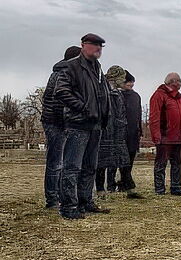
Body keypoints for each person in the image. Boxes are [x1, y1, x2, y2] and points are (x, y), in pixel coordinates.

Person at [53, 33, 113, 219]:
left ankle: (85, 201)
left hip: (95, 125)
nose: (98, 49)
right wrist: (83, 108)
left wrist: (103, 113)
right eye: (94, 45)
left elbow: (101, 94)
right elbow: (61, 91)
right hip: (78, 124)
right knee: (72, 167)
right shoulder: (72, 67)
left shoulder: (98, 69)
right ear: (83, 45)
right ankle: (69, 206)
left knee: (89, 167)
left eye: (100, 46)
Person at [40, 45, 81, 209]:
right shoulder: (62, 74)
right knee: (56, 162)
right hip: (56, 123)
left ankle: (61, 196)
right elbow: (58, 102)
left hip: (62, 122)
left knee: (63, 162)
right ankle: (52, 199)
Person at [148, 72, 181, 196]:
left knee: (178, 163)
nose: (180, 84)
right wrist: (156, 136)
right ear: (174, 82)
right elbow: (154, 117)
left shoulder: (179, 98)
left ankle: (176, 187)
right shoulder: (159, 95)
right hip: (165, 136)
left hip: (178, 137)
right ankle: (160, 189)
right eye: (179, 81)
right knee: (161, 163)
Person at [95, 66, 131, 197]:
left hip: (116, 131)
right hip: (105, 130)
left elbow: (121, 112)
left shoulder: (117, 93)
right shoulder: (102, 90)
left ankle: (110, 185)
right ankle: (99, 188)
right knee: (101, 161)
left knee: (113, 160)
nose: (123, 81)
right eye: (122, 78)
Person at [116, 71, 143, 198]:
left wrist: (140, 130)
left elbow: (139, 114)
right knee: (120, 160)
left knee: (130, 159)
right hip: (120, 133)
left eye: (132, 82)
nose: (130, 84)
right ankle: (120, 183)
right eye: (128, 82)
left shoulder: (136, 96)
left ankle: (124, 182)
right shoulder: (117, 95)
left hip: (133, 133)